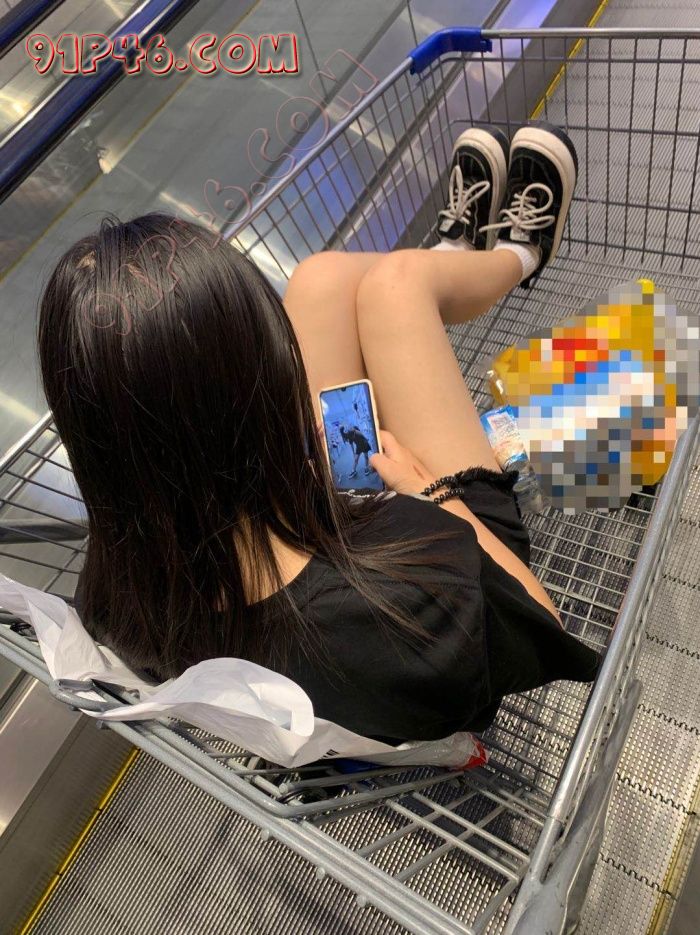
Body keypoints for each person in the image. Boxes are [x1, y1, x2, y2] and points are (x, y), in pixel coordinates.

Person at [39, 121, 600, 745]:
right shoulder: (413, 611)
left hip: (291, 527)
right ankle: (518, 256)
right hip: (436, 547)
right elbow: (540, 619)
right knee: (396, 286)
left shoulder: (112, 597)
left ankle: (454, 252)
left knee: (320, 278)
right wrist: (432, 494)